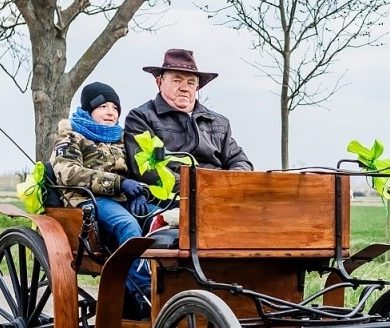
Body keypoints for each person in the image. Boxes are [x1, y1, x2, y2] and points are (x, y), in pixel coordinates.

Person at [50, 81, 153, 313]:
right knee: (127, 225)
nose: (110, 112)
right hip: (87, 200)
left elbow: (142, 170)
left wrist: (140, 191)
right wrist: (119, 183)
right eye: (103, 106)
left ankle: (168, 284)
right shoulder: (71, 137)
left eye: (115, 108)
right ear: (88, 110)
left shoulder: (122, 139)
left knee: (162, 220)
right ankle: (143, 293)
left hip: (123, 199)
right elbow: (68, 172)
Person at [123, 49, 252, 198]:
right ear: (159, 82)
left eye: (191, 83)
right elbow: (148, 169)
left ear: (197, 87)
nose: (184, 88)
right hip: (171, 200)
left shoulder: (219, 123)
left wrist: (228, 186)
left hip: (221, 195)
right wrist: (199, 190)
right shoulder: (141, 118)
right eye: (177, 81)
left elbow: (240, 161)